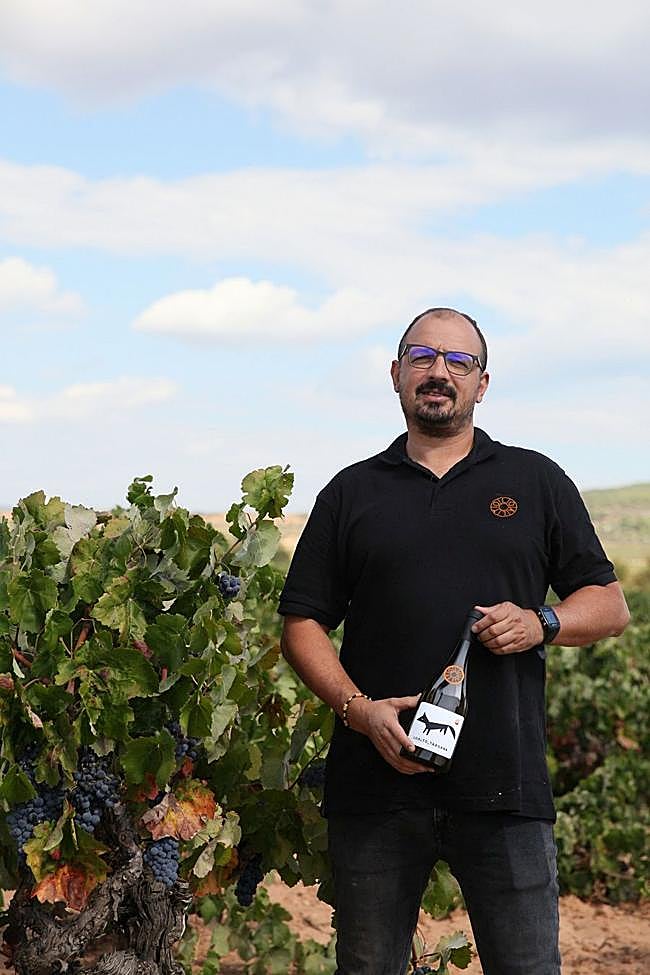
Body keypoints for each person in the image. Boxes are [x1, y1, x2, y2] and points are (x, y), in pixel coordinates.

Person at [278, 307, 630, 975]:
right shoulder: (351, 492)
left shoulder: (535, 480)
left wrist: (541, 621)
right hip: (375, 788)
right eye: (422, 356)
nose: (439, 372)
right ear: (396, 374)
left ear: (482, 382)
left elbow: (609, 606)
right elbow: (301, 622)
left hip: (506, 791)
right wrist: (360, 711)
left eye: (457, 361)